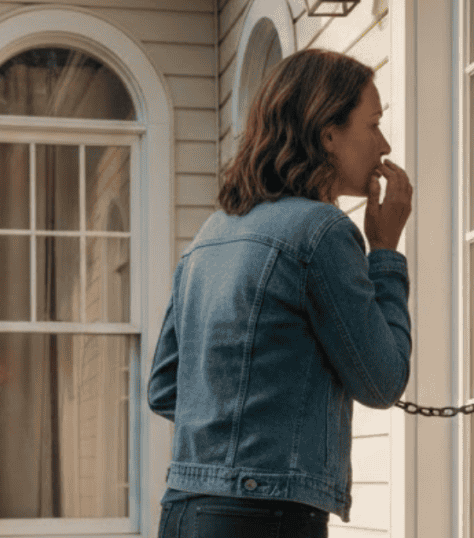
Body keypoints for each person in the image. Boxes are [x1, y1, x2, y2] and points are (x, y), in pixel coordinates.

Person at [147, 48, 413, 538]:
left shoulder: (212, 232)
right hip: (262, 518)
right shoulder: (322, 231)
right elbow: (382, 381)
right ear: (328, 134)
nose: (384, 145)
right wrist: (385, 252)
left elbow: (165, 388)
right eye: (373, 125)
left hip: (184, 510)